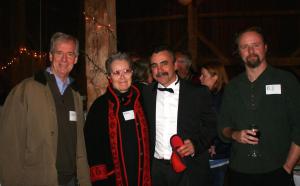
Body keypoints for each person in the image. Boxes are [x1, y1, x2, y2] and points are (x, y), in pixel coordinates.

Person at [0, 32, 91, 185]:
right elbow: (10, 145)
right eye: (59, 53)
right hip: (37, 180)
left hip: (71, 181)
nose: (64, 59)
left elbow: (80, 144)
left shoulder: (75, 95)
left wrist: (84, 180)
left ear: (75, 59)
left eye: (70, 54)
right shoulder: (26, 90)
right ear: (50, 56)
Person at [218, 26, 300, 186]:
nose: (251, 50)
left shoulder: (287, 81)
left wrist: (287, 167)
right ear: (239, 52)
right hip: (238, 172)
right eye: (244, 47)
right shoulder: (232, 86)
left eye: (255, 45)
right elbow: (223, 127)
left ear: (265, 47)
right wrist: (234, 134)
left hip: (277, 171)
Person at [142, 45, 217, 186]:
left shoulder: (198, 93)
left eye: (164, 64)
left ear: (175, 65)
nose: (159, 70)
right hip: (156, 169)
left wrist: (196, 145)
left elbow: (212, 126)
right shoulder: (145, 93)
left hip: (189, 167)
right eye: (154, 66)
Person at [84, 52, 151, 186]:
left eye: (126, 71)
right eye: (116, 73)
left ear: (132, 73)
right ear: (109, 76)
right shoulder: (99, 107)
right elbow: (92, 149)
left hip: (145, 176)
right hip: (113, 179)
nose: (122, 77)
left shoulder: (145, 100)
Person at [199, 62, 231, 186]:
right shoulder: (210, 95)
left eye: (204, 75)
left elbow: (219, 125)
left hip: (219, 155)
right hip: (215, 153)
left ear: (215, 77)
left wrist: (211, 143)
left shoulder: (222, 98)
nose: (200, 78)